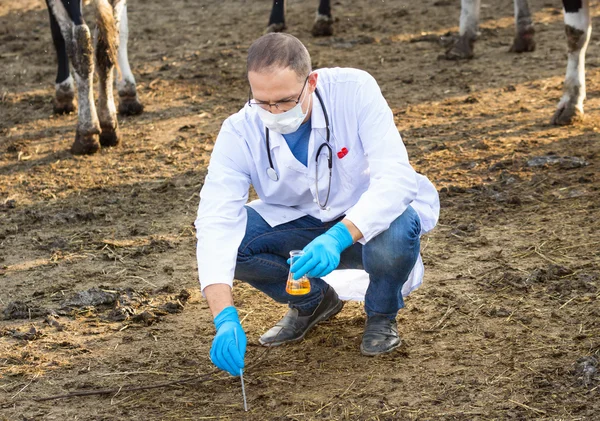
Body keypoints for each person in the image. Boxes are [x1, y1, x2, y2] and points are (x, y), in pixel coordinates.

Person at [195, 33, 440, 377]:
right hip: (298, 224)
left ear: (311, 82)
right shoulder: (239, 130)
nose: (274, 113)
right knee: (234, 246)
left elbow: (395, 180)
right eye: (262, 102)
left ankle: (382, 314)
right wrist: (223, 317)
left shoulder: (354, 91)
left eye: (284, 101)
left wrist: (339, 237)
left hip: (364, 223)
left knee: (397, 229)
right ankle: (313, 302)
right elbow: (215, 221)